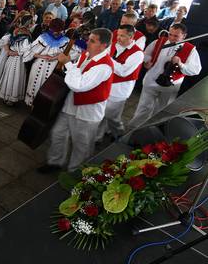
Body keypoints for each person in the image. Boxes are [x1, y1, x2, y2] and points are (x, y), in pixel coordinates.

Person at [38, 28, 114, 173]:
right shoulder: (86, 54)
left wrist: (67, 63)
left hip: (88, 110)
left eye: (92, 41)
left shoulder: (104, 66)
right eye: (88, 39)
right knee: (58, 133)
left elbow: (79, 85)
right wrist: (68, 66)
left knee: (82, 145)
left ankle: (75, 172)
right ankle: (55, 162)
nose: (87, 43)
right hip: (72, 103)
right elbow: (76, 71)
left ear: (103, 45)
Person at [127, 23, 202, 131]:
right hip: (151, 80)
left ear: (184, 36)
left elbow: (196, 70)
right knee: (143, 107)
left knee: (160, 110)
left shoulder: (190, 49)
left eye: (176, 36)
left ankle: (150, 130)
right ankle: (132, 129)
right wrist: (147, 61)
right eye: (170, 34)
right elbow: (146, 54)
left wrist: (181, 64)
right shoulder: (160, 41)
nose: (171, 38)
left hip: (171, 85)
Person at [97, 25, 144, 141]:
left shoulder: (138, 53)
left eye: (122, 35)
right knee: (101, 113)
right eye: (118, 35)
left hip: (120, 89)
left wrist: (107, 58)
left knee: (112, 116)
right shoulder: (113, 45)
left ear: (131, 37)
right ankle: (97, 137)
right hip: (105, 84)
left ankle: (118, 133)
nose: (118, 38)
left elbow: (123, 71)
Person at [23, 18, 76, 107]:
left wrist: (55, 57)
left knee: (48, 88)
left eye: (58, 31)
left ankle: (42, 106)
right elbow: (30, 52)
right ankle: (32, 104)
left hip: (54, 67)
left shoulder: (65, 40)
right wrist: (43, 56)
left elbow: (71, 54)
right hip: (39, 64)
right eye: (54, 30)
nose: (55, 32)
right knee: (35, 84)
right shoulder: (43, 37)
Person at [0, 18, 32, 106]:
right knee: (14, 76)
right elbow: (25, 50)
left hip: (15, 58)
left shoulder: (16, 31)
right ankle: (10, 97)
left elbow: (4, 41)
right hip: (17, 59)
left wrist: (9, 51)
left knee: (12, 75)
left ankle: (8, 96)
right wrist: (9, 51)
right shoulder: (26, 36)